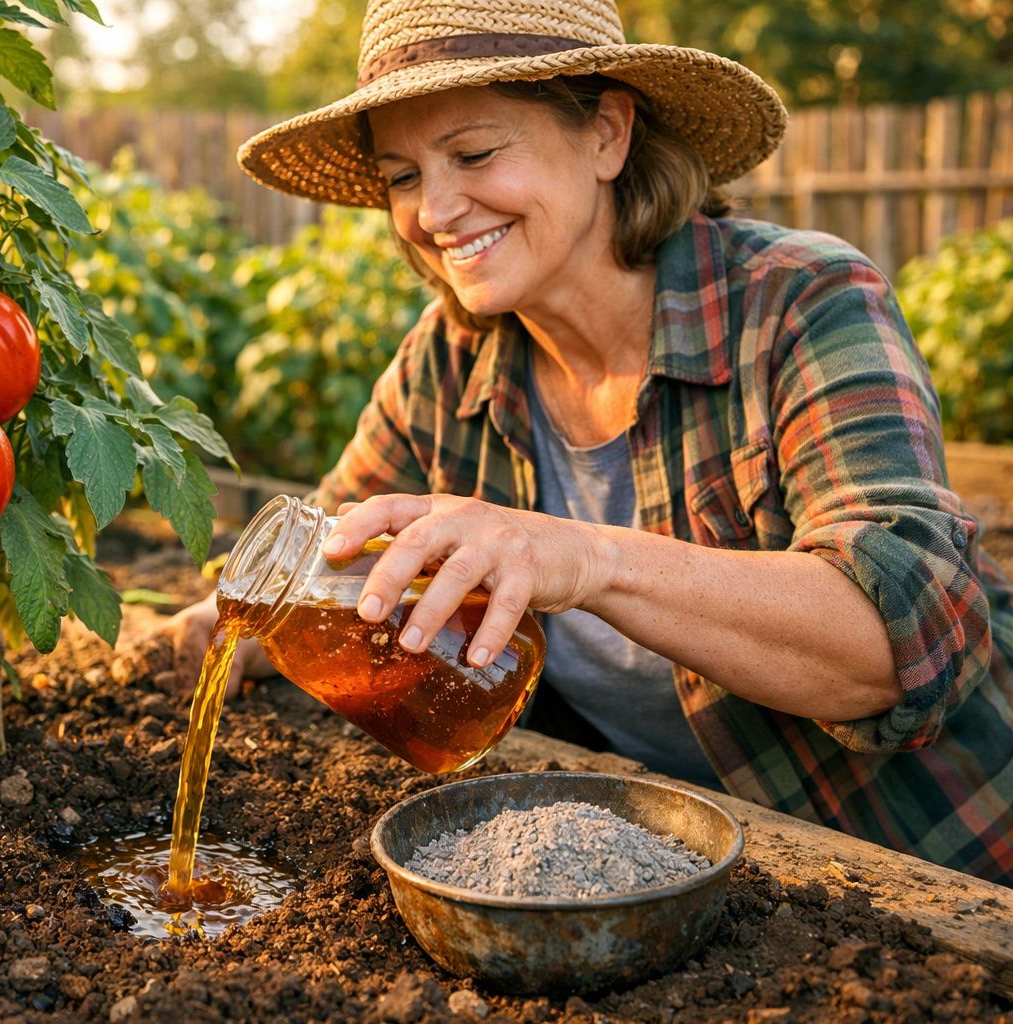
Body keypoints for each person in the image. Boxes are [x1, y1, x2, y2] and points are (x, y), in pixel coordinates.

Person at [158, 0, 1013, 886]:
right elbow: (328, 564)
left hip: (921, 865)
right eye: (403, 175)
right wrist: (206, 631)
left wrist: (585, 558)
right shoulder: (448, 365)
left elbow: (902, 640)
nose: (436, 210)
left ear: (607, 133)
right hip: (649, 863)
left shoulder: (798, 301)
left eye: (476, 153)